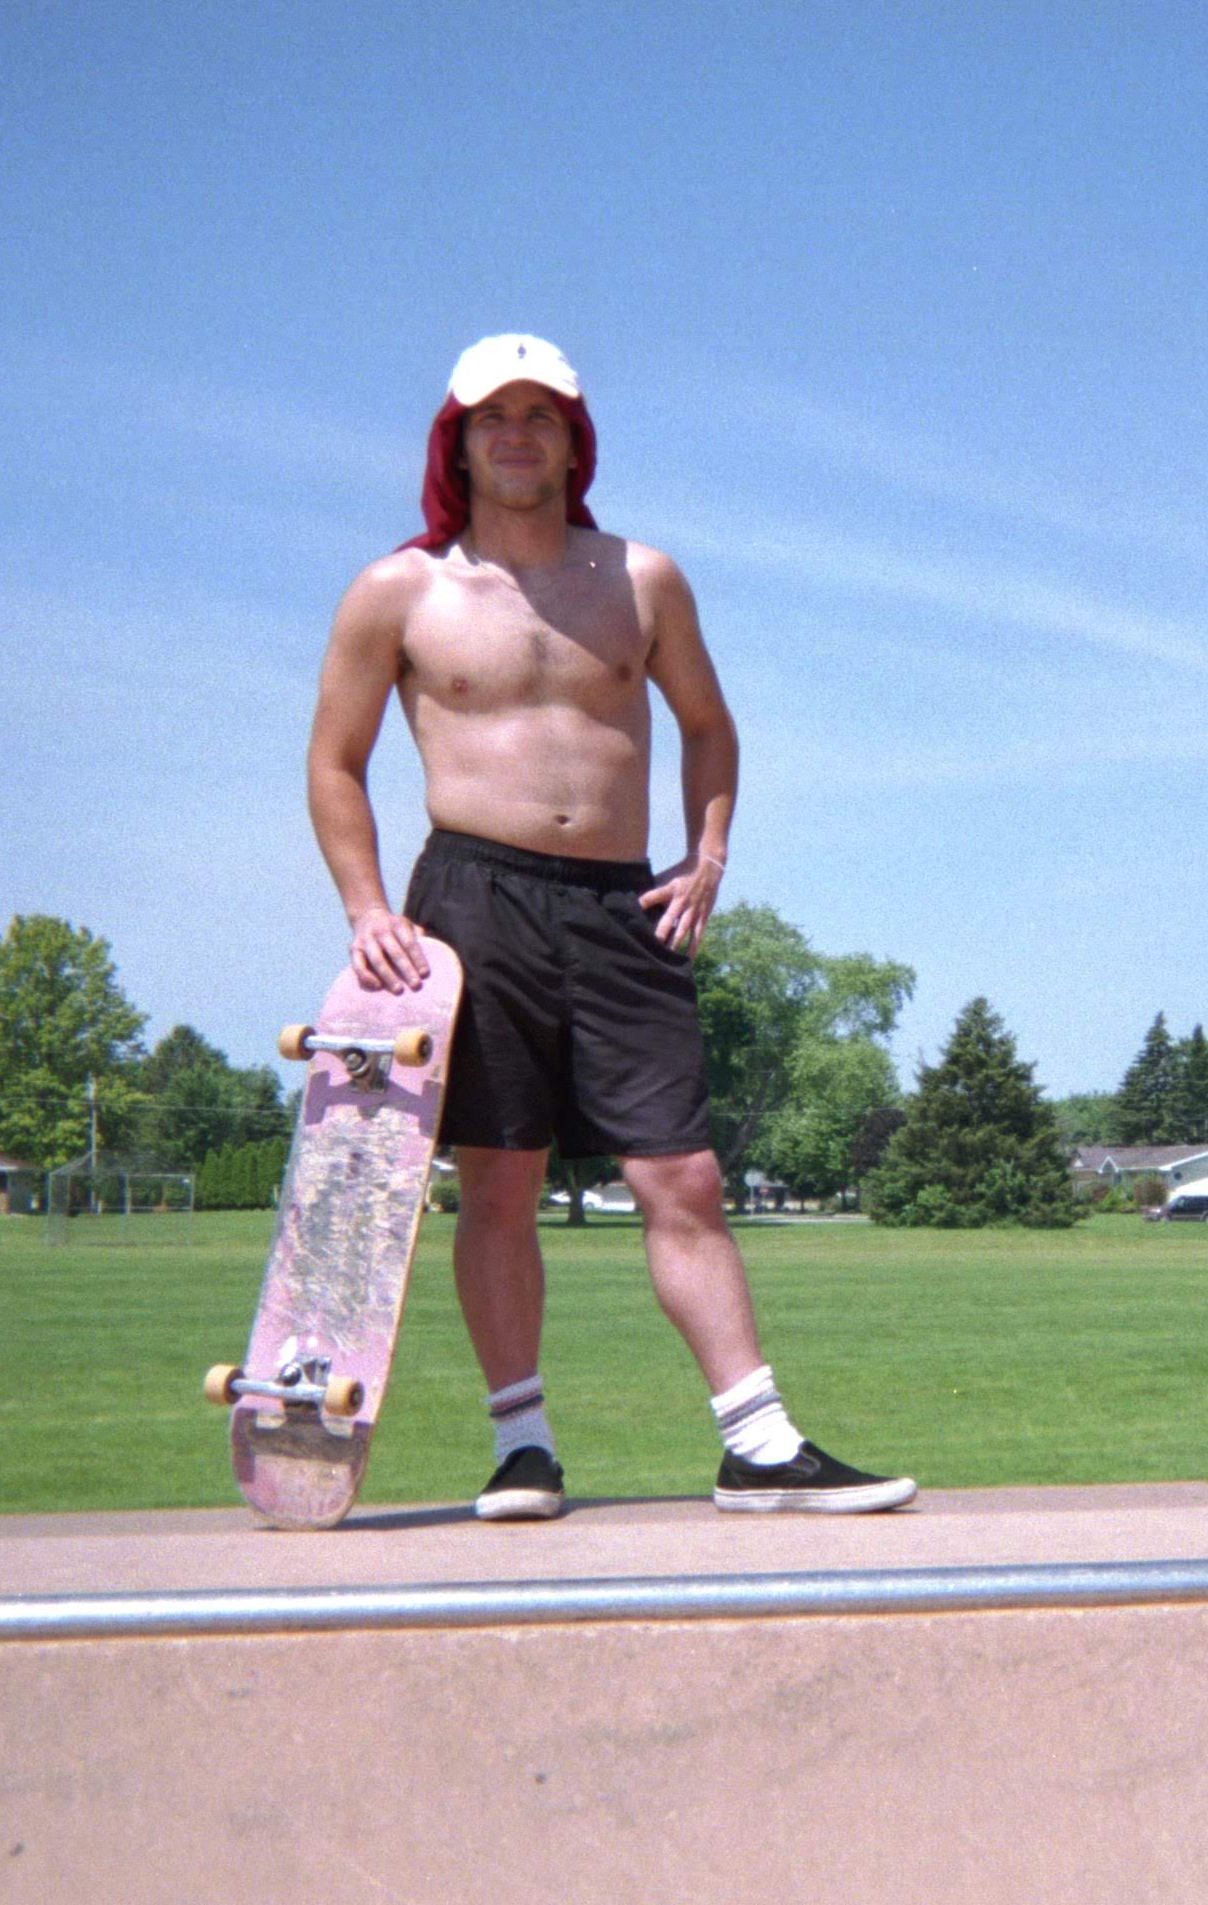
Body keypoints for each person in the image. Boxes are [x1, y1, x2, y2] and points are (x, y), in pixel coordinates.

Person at [308, 332, 914, 1520]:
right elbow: (334, 763)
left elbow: (709, 724)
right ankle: (522, 1446)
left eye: (543, 414)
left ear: (574, 440)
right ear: (460, 439)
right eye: (496, 416)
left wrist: (710, 856)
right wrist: (368, 908)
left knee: (680, 1172)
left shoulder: (643, 578)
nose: (519, 433)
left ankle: (761, 1445)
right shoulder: (400, 591)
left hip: (621, 903)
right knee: (498, 1183)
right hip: (470, 904)